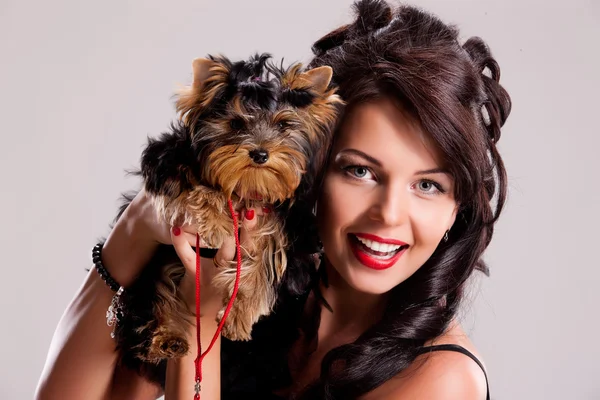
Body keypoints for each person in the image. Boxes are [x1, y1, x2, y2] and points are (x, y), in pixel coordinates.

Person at [35, 0, 511, 399]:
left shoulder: (440, 382)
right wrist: (137, 227)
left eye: (428, 185)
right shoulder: (272, 295)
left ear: (457, 206)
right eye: (359, 171)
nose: (388, 214)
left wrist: (198, 317)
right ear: (313, 170)